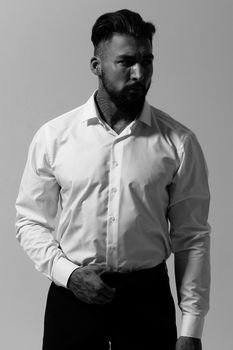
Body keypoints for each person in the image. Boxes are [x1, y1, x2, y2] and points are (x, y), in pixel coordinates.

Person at [15, 9, 210, 350]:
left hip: (147, 302)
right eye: (126, 61)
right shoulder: (53, 137)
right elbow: (30, 221)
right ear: (97, 66)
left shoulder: (178, 142)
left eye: (147, 60)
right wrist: (69, 275)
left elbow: (191, 236)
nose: (140, 73)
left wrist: (191, 327)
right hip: (71, 298)